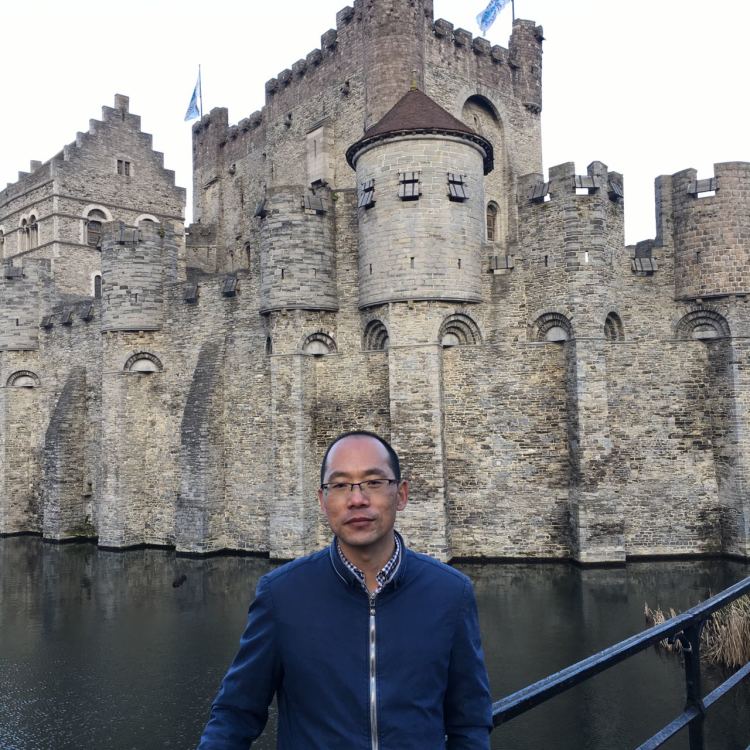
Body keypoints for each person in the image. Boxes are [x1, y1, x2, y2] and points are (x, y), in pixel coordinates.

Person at [197, 430, 492, 749]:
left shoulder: (450, 593)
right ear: (323, 501)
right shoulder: (281, 595)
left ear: (401, 494)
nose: (357, 499)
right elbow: (235, 715)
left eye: (374, 482)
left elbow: (469, 723)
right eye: (340, 485)